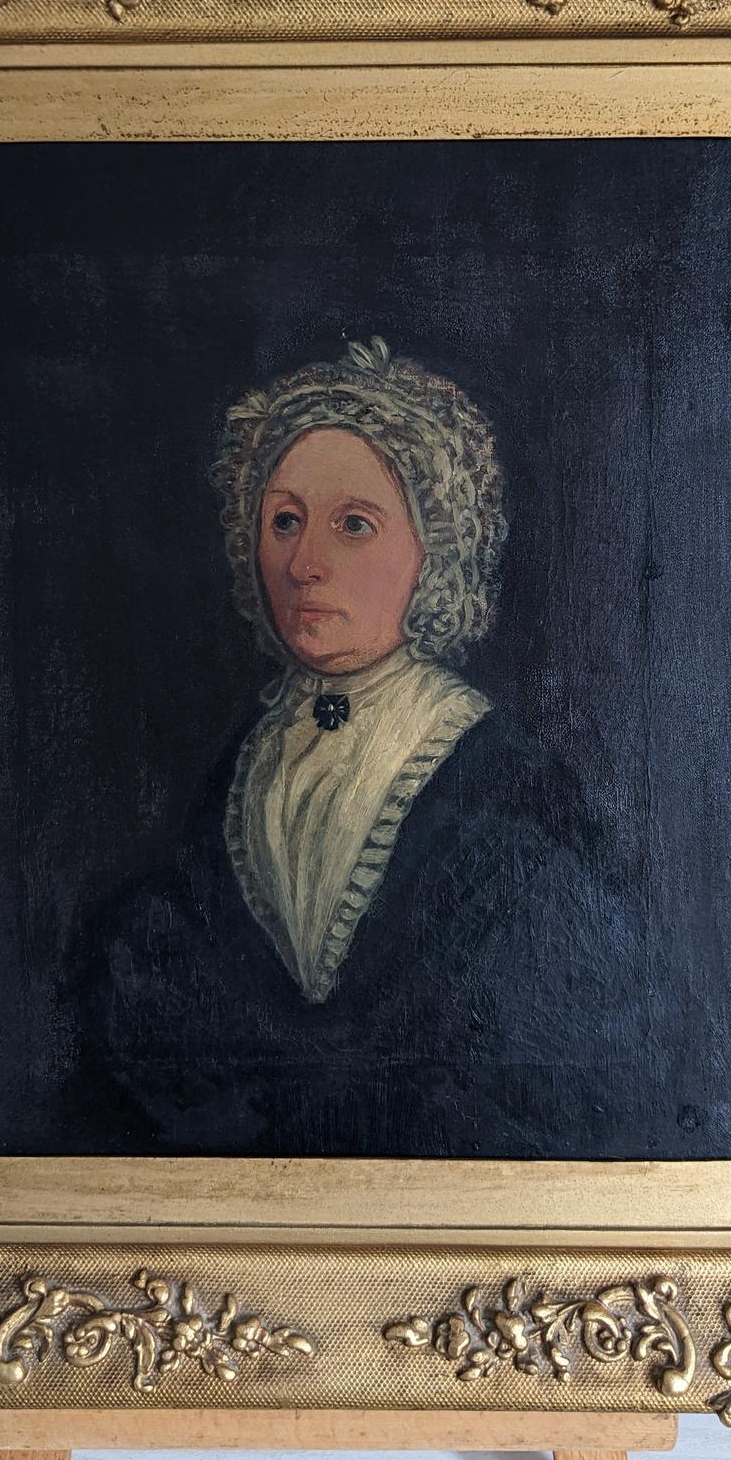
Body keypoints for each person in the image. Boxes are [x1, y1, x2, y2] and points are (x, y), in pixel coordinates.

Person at [77, 336, 647, 1159]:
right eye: (284, 521)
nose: (305, 563)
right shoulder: (241, 766)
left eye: (354, 525)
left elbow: (555, 1063)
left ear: (434, 547)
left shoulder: (505, 778)